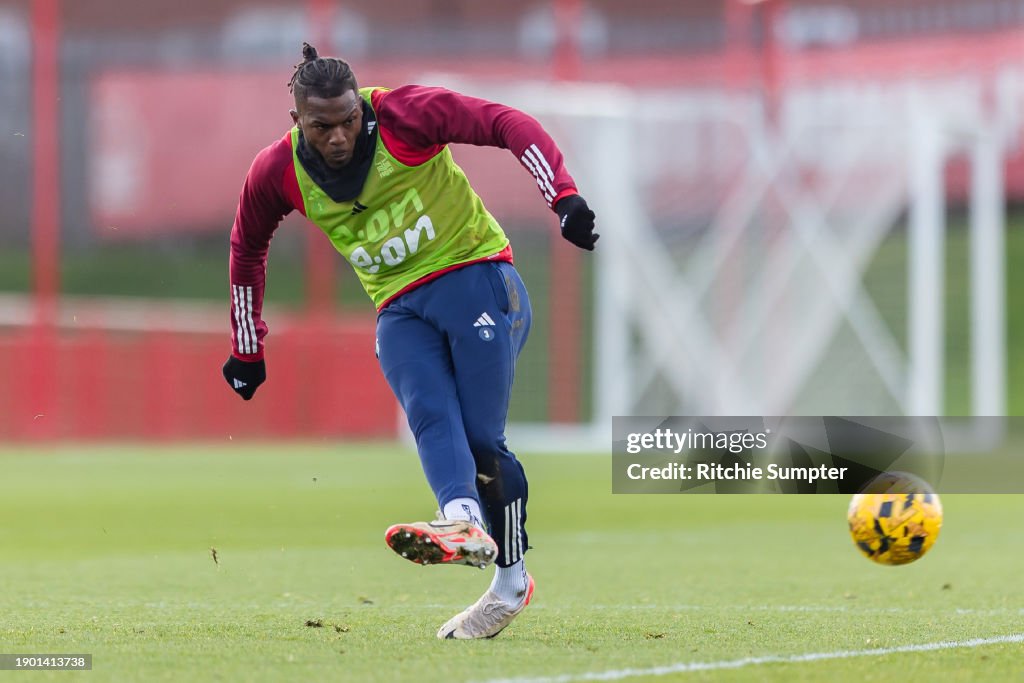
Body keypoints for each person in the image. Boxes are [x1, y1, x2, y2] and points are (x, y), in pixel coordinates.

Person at [221, 43, 598, 640]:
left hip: (477, 276)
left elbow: (506, 123)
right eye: (324, 127)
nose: (341, 136)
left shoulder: (405, 115)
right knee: (426, 409)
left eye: (349, 120)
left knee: (481, 442)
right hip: (398, 304)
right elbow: (247, 246)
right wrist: (248, 344)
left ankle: (510, 581)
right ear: (298, 122)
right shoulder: (278, 172)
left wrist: (563, 197)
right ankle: (462, 522)